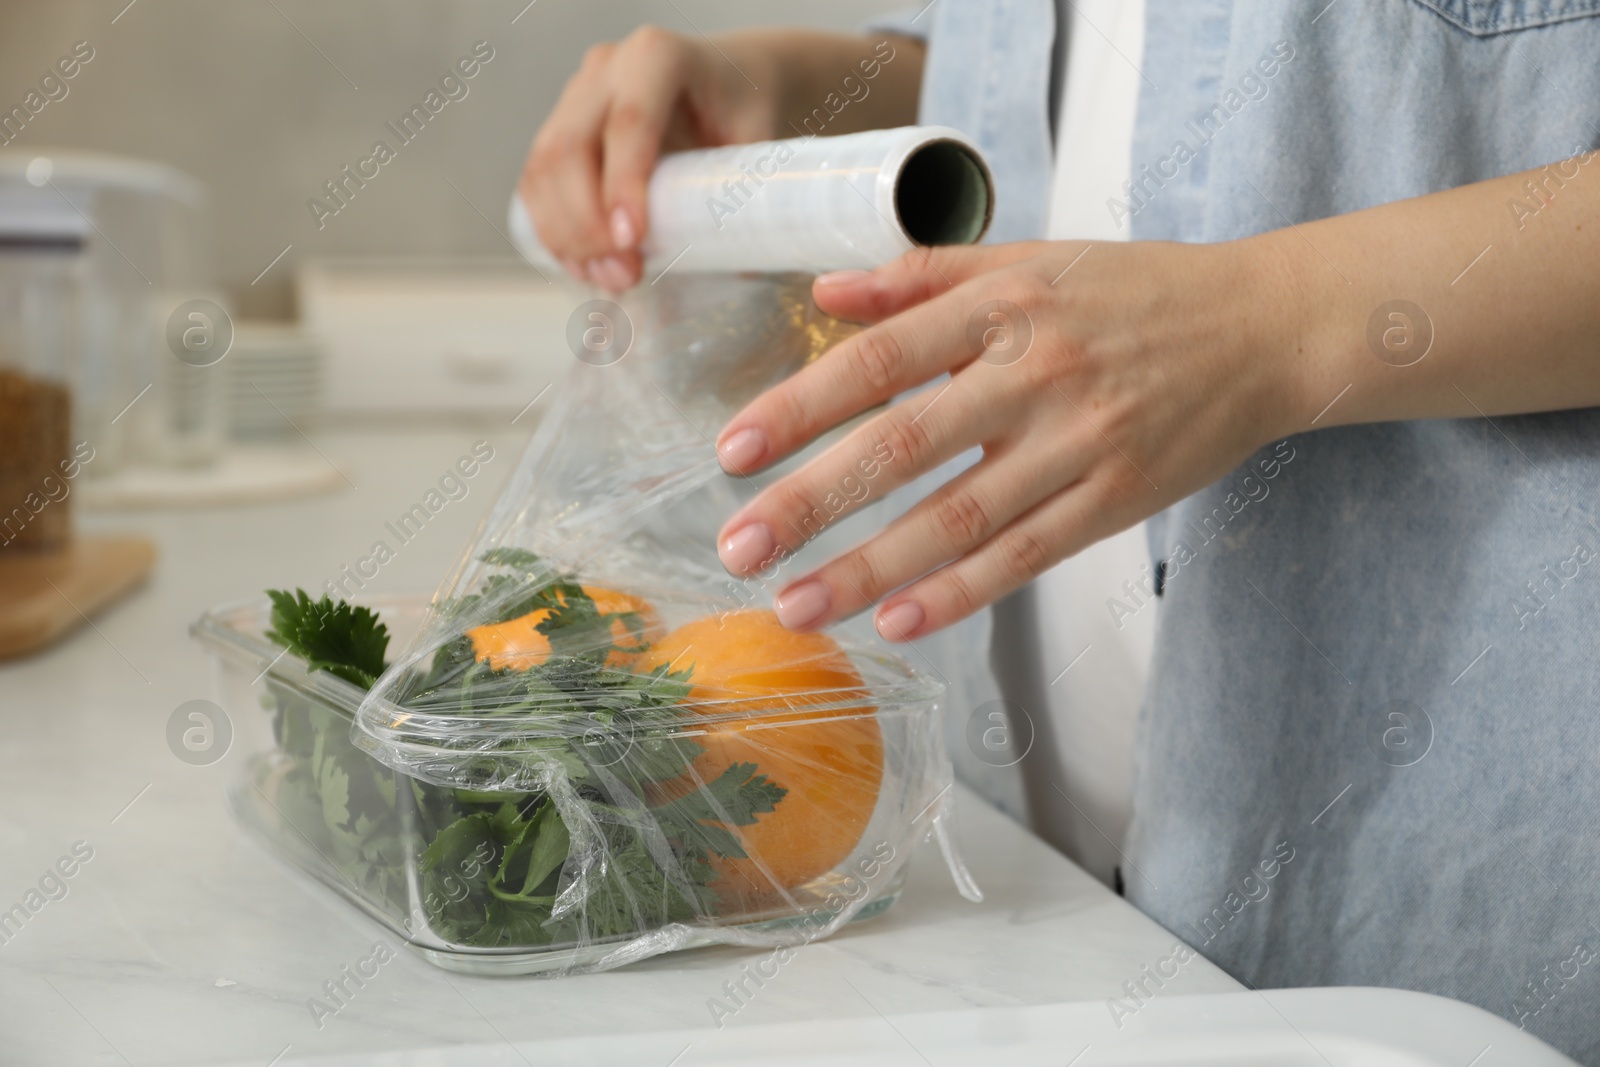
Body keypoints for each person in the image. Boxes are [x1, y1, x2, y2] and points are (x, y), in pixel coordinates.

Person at [519, 2, 1600, 1059]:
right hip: (1034, 892)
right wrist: (815, 88)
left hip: (1450, 883)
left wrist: (1267, 320)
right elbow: (1110, 82)